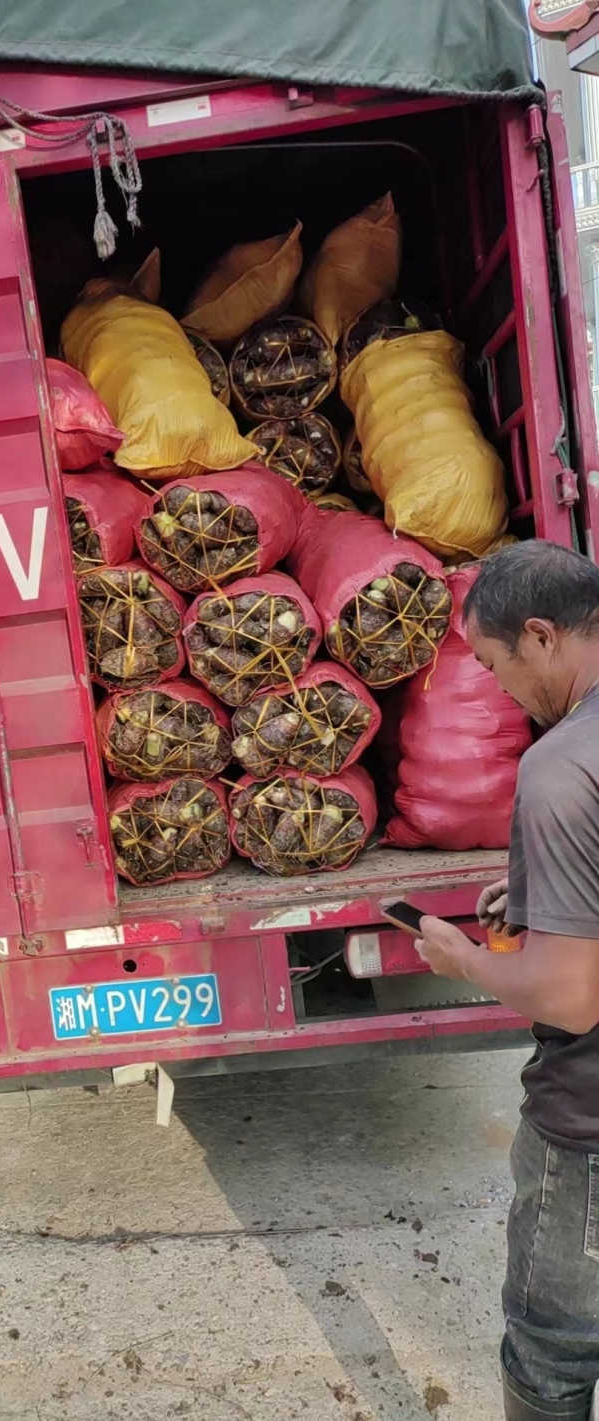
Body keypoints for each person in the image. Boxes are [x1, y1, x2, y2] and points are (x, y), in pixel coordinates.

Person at [415, 540, 599, 1421]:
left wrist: (467, 960)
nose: (496, 689)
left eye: (493, 665)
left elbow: (571, 995)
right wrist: (546, 894)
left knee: (553, 1352)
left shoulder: (561, 765)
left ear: (541, 635)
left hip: (591, 1132)